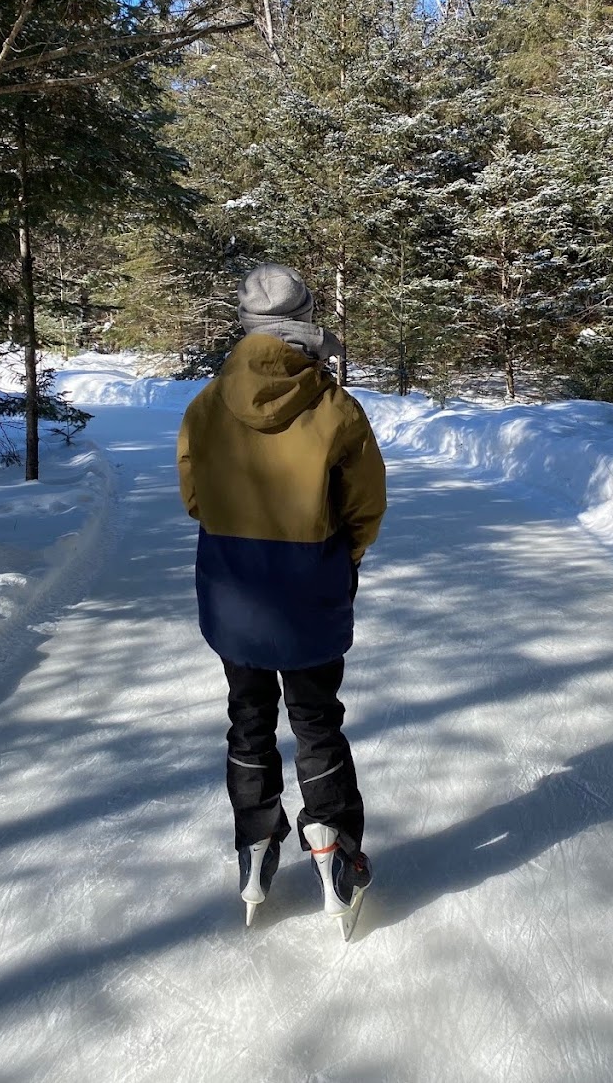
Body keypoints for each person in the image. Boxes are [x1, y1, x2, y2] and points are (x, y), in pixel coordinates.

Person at [176, 263, 387, 933]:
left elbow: (194, 496)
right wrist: (339, 559)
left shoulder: (208, 403)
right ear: (304, 322)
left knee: (248, 716)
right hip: (310, 590)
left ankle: (255, 846)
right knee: (316, 720)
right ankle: (333, 851)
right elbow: (366, 505)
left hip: (233, 590)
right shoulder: (332, 405)